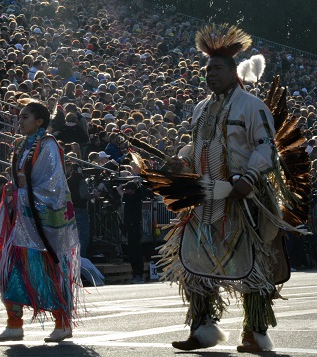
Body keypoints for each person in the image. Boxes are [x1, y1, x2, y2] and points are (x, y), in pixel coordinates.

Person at [159, 24, 295, 352]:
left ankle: (255, 333)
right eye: (206, 70)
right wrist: (181, 161)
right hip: (205, 198)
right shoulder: (200, 109)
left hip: (243, 198)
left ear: (234, 72)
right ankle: (202, 328)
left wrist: (249, 176)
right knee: (192, 262)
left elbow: (266, 148)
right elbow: (197, 147)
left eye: (216, 69)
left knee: (253, 266)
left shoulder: (252, 106)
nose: (209, 75)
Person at [0, 100, 80, 343]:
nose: (20, 120)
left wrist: (21, 193)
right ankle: (14, 325)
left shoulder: (48, 145)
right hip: (21, 222)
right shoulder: (22, 145)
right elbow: (23, 180)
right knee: (10, 271)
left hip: (40, 225)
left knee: (47, 271)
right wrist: (13, 192)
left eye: (25, 116)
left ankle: (62, 323)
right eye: (20, 116)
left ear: (39, 121)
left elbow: (53, 186)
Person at [117, 180, 144, 284]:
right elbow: (118, 189)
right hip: (130, 228)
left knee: (136, 251)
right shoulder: (128, 197)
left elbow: (119, 189)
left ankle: (139, 275)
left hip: (136, 228)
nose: (126, 190)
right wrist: (128, 184)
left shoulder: (137, 198)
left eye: (128, 189)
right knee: (131, 252)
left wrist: (134, 185)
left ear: (132, 190)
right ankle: (135, 274)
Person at [66, 164, 91, 258]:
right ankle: (82, 256)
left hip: (70, 209)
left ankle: (72, 256)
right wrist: (93, 195)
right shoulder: (81, 180)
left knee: (73, 233)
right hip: (80, 208)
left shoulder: (68, 180)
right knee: (84, 233)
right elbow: (83, 195)